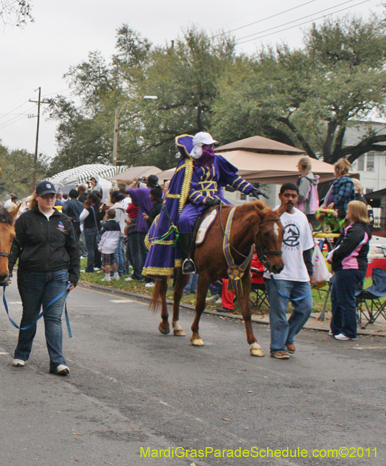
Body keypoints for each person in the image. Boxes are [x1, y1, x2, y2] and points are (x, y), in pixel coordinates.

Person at [143, 133, 264, 278]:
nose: (211, 150)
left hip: (217, 198)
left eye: (212, 146)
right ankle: (188, 259)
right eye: (208, 147)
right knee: (184, 221)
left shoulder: (218, 160)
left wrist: (250, 189)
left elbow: (232, 177)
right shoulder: (188, 164)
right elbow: (187, 190)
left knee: (236, 216)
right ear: (199, 147)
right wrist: (205, 200)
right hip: (196, 203)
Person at [8, 181, 80, 376]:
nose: (50, 199)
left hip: (58, 276)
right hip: (30, 275)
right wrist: (7, 270)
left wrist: (74, 275)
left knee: (53, 318)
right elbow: (15, 247)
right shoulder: (25, 220)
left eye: (53, 196)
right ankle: (21, 354)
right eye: (46, 196)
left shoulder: (64, 220)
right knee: (30, 315)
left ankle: (57, 361)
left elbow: (73, 248)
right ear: (37, 197)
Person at [263, 183, 314, 359]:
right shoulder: (271, 216)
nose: (290, 199)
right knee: (279, 312)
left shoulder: (302, 217)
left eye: (293, 196)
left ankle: (288, 336)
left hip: (299, 272)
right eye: (286, 195)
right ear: (280, 196)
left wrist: (310, 269)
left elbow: (307, 247)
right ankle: (277, 347)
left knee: (306, 307)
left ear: (298, 198)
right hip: (279, 272)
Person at [328, 200, 370, 341]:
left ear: (355, 213)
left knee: (345, 300)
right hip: (345, 268)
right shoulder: (354, 228)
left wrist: (334, 257)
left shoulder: (357, 230)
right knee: (337, 298)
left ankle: (349, 331)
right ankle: (336, 328)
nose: (347, 212)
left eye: (349, 210)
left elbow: (346, 248)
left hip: (350, 268)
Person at [320, 158, 355, 224]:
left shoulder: (346, 181)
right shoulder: (340, 181)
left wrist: (334, 203)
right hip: (336, 211)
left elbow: (343, 195)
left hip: (341, 212)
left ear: (337, 170)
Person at [79, 193, 101, 273]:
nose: (86, 200)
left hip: (89, 229)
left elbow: (81, 217)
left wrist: (84, 208)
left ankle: (89, 267)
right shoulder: (96, 208)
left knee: (90, 249)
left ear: (91, 200)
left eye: (88, 198)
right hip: (95, 229)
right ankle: (96, 264)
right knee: (94, 248)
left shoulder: (88, 209)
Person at [98, 209, 121, 281]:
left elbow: (103, 237)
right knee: (113, 261)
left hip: (106, 245)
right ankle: (116, 275)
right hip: (114, 244)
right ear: (115, 216)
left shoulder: (105, 225)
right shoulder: (117, 225)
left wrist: (100, 246)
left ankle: (107, 276)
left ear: (107, 215)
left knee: (106, 262)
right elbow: (119, 234)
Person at [295, 156, 319, 227]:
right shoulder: (312, 179)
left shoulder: (305, 179)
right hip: (311, 208)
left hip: (304, 208)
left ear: (301, 166)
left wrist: (294, 198)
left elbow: (302, 195)